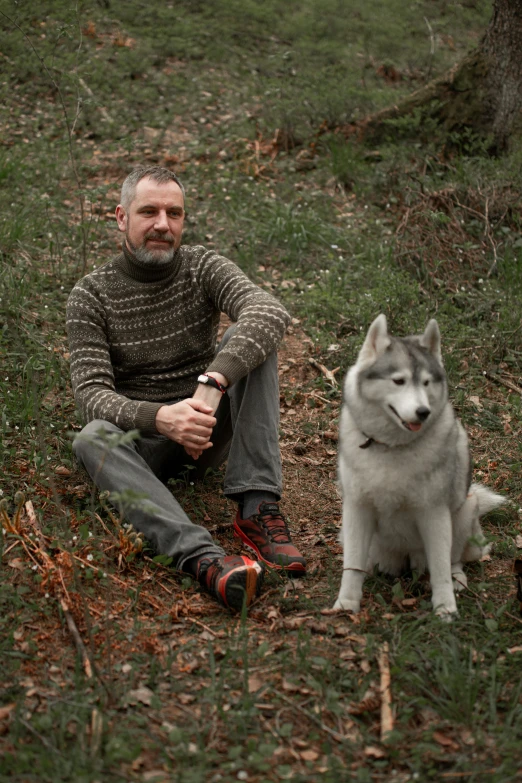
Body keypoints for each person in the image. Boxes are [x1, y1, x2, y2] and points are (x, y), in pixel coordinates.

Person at [67, 165, 306, 611]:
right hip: (147, 449)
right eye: (149, 212)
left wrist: (211, 383)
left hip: (208, 429)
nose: (163, 224)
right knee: (91, 438)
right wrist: (161, 418)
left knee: (252, 339)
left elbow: (269, 311)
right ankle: (205, 561)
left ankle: (257, 507)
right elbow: (91, 395)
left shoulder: (202, 266)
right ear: (121, 217)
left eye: (174, 213)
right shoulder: (91, 294)